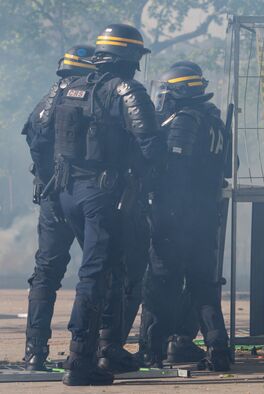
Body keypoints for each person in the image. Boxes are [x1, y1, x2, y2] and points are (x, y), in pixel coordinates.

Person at [50, 24, 163, 386]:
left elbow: (40, 134)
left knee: (107, 272)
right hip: (103, 196)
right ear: (130, 58)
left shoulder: (72, 87)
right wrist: (146, 181)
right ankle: (80, 361)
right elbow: (150, 144)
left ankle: (102, 350)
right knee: (95, 276)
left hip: (69, 194)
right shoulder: (127, 90)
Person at [140, 64, 231, 371]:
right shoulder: (215, 120)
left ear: (180, 93)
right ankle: (219, 351)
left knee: (161, 286)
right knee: (204, 287)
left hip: (177, 217)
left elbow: (172, 170)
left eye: (166, 92)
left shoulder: (185, 120)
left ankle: (152, 353)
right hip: (206, 216)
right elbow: (228, 167)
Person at [21, 45, 96, 371]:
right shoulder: (86, 98)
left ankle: (35, 350)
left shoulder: (46, 100)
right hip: (81, 193)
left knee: (46, 273)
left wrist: (46, 176)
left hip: (51, 196)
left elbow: (34, 142)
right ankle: (91, 349)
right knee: (97, 269)